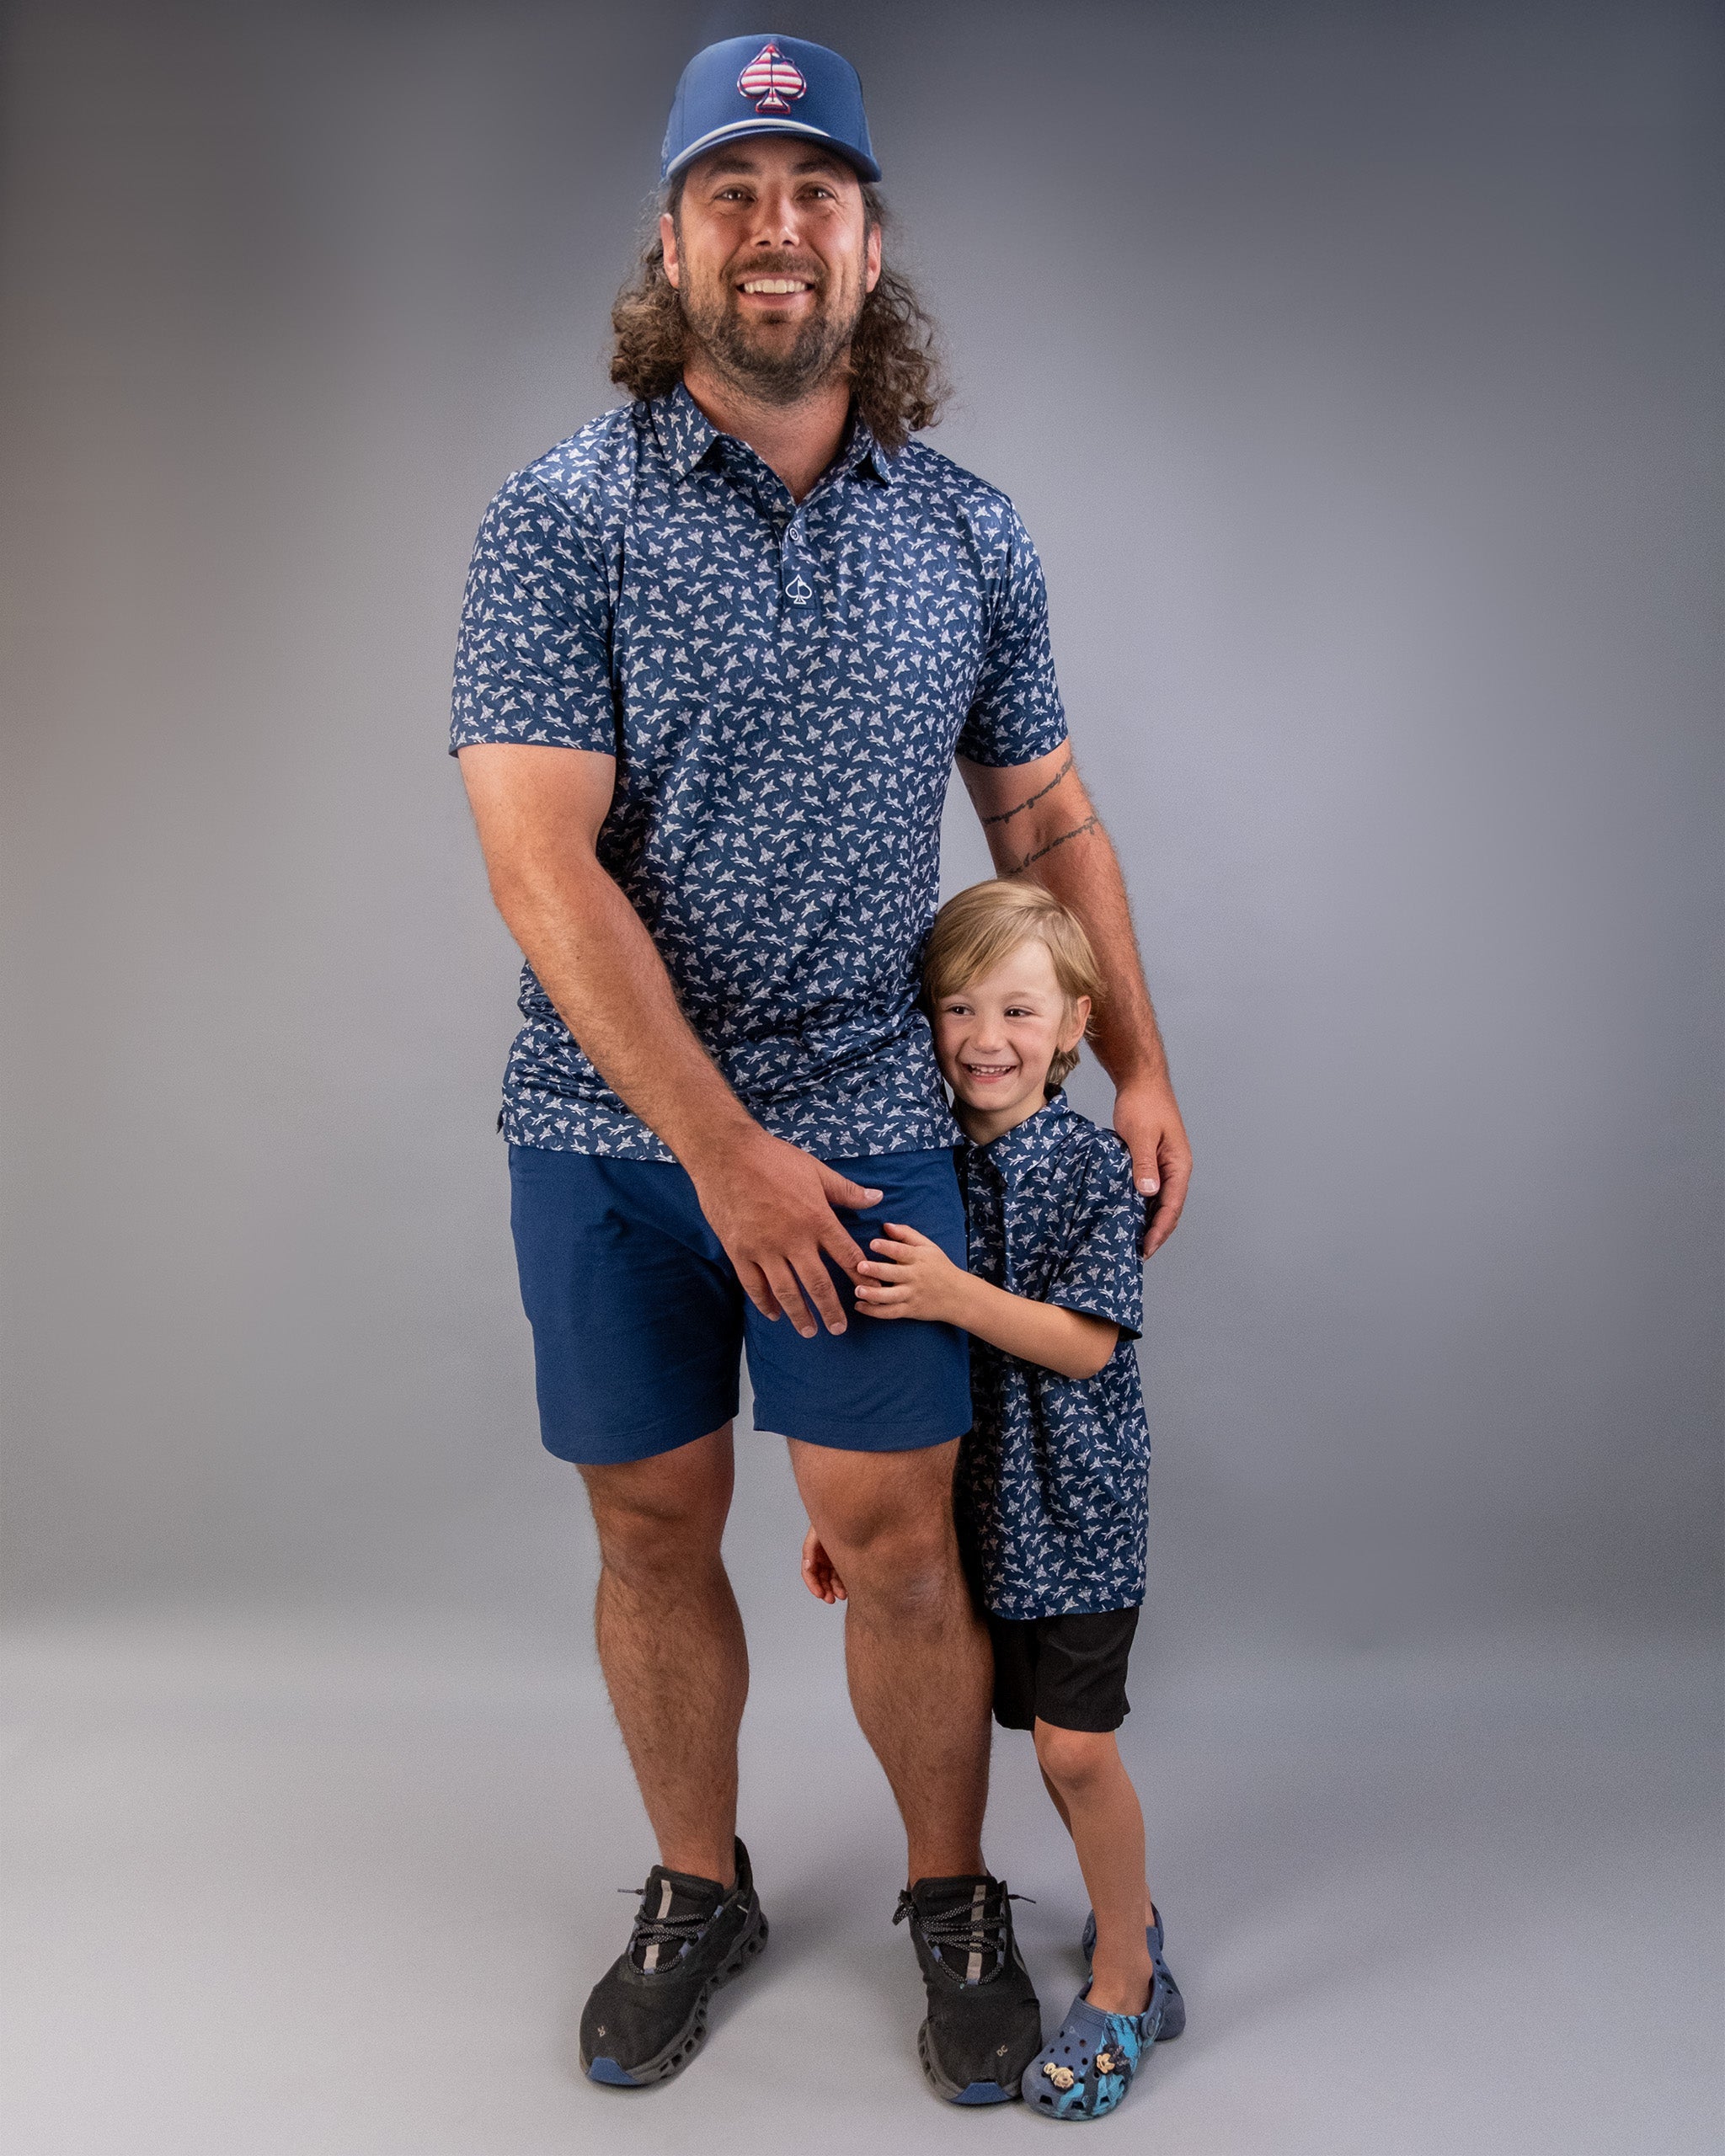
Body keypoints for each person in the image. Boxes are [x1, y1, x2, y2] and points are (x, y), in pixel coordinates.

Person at [450, 30, 1191, 2102]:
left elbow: (1046, 821)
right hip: (611, 1128)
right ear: (669, 242)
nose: (775, 231)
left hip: (877, 1111)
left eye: (815, 194)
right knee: (654, 1524)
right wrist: (722, 1156)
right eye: (731, 194)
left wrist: (1135, 1064)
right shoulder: (557, 522)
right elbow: (540, 869)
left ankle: (949, 1894)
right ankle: (699, 1880)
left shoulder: (964, 528)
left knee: (894, 1531)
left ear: (871, 244)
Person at [802, 878, 1185, 2121]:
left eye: (1019, 1008)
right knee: (980, 1725)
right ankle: (1105, 1917)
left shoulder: (1085, 1162)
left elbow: (1084, 1345)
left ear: (1074, 1024)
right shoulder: (926, 1168)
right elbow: (898, 1376)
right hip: (964, 1508)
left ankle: (1126, 1973)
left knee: (1075, 1752)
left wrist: (955, 1293)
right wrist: (843, 1512)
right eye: (956, 1006)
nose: (984, 1036)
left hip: (1071, 1510)